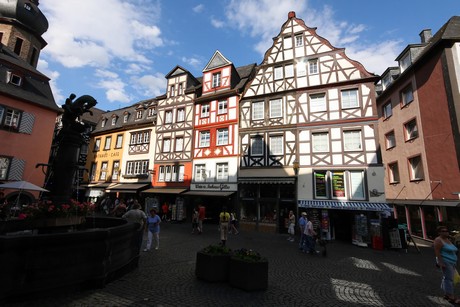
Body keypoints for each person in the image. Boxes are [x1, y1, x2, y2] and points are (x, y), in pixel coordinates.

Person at [434, 226, 460, 304]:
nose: (446, 232)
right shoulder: (438, 240)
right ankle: (451, 296)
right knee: (449, 279)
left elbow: (453, 250)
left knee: (447, 278)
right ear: (439, 232)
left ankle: (446, 294)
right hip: (446, 262)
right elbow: (437, 252)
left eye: (446, 231)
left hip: (452, 262)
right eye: (443, 231)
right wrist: (440, 262)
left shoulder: (448, 239)